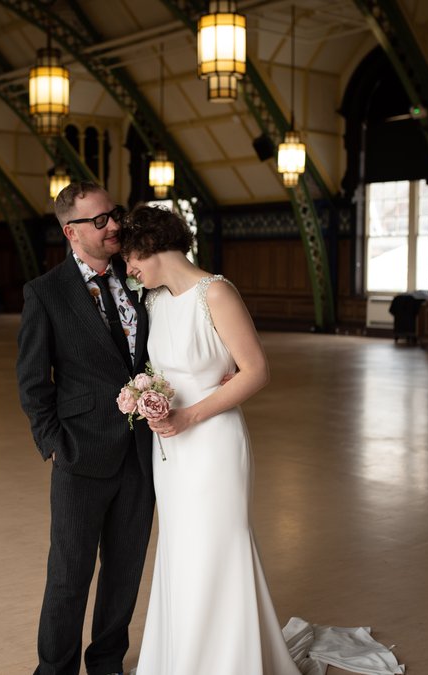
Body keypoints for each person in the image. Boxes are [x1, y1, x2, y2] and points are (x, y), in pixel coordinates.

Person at [120, 205, 302, 675]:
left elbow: (257, 371)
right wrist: (147, 398)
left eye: (130, 259)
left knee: (218, 548)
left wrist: (189, 415)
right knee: (181, 548)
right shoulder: (156, 302)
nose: (129, 270)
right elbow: (161, 371)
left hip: (214, 444)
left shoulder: (215, 293)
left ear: (150, 245)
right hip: (172, 449)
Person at [16, 182, 156, 675]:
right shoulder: (46, 292)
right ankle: (53, 670)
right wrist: (54, 443)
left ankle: (107, 664)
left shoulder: (140, 277)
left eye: (113, 215)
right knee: (68, 577)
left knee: (124, 573)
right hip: (80, 454)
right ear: (70, 231)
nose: (114, 225)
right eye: (100, 221)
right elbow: (33, 381)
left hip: (142, 453)